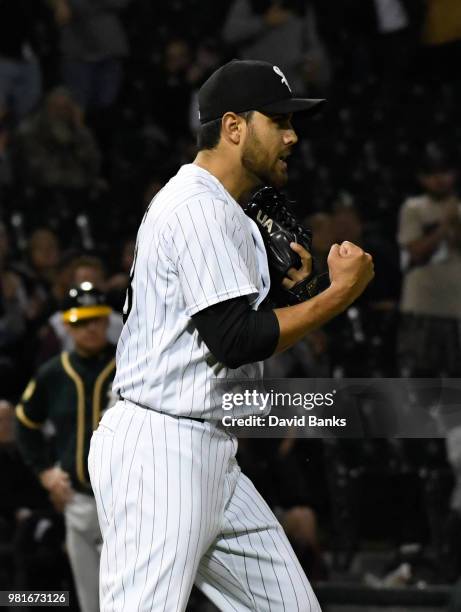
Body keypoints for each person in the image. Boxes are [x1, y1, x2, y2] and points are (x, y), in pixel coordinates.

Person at [88, 59, 374, 611]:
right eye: (279, 120)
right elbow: (235, 339)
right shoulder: (197, 206)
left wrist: (293, 293)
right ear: (234, 126)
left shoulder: (228, 213)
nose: (292, 135)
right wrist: (337, 293)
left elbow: (229, 341)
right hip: (161, 447)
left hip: (210, 448)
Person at [15, 283, 116, 612]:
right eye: (80, 323)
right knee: (90, 603)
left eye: (96, 321)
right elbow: (25, 424)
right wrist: (44, 472)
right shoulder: (53, 373)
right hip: (78, 501)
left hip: (128, 501)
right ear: (68, 326)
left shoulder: (132, 365)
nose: (90, 329)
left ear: (106, 321)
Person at [397, 147, 461, 376]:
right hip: (422, 307)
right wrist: (445, 225)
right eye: (433, 174)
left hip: (455, 309)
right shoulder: (413, 208)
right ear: (422, 178)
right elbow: (416, 252)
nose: (440, 179)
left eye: (445, 172)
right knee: (421, 381)